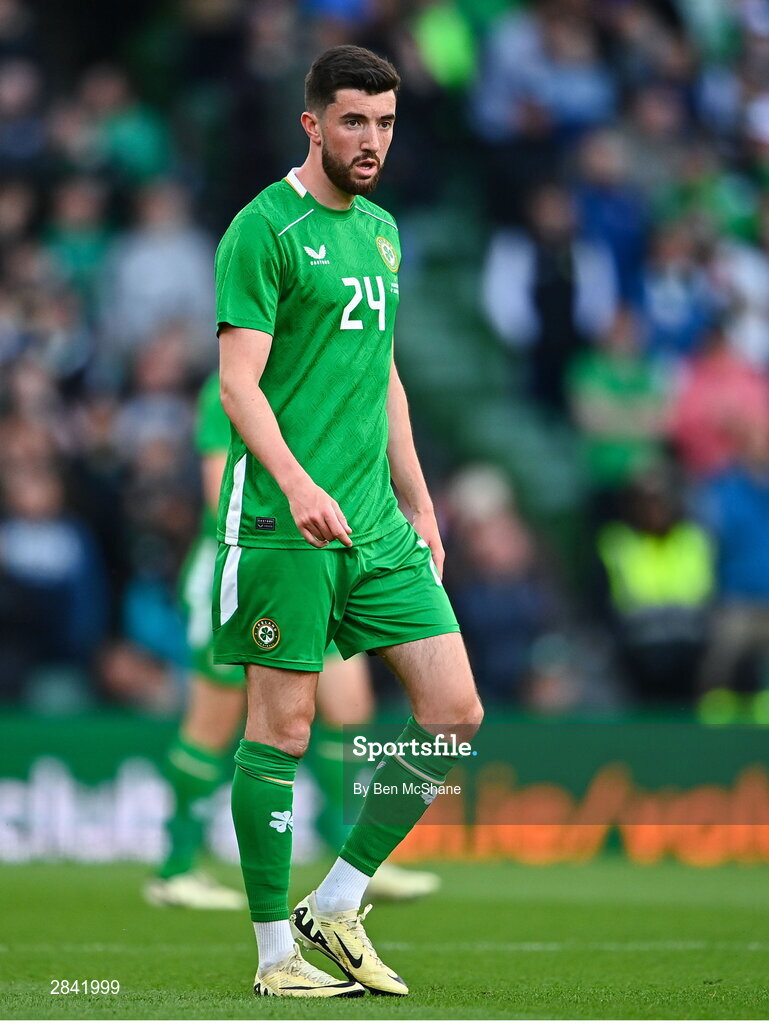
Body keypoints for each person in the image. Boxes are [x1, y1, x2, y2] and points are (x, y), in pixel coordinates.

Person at [213, 45, 482, 998]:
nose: (371, 141)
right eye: (354, 121)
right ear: (312, 123)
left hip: (375, 521)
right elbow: (238, 384)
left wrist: (417, 498)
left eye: (385, 123)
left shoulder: (381, 232)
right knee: (279, 735)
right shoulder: (265, 229)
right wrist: (294, 483)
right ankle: (272, 956)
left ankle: (335, 900)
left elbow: (385, 380)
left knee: (453, 713)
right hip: (287, 522)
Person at [144, 372, 440, 909]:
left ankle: (346, 859)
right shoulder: (230, 387)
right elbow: (219, 492)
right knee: (215, 722)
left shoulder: (317, 375)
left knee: (350, 708)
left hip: (317, 567)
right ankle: (175, 867)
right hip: (252, 566)